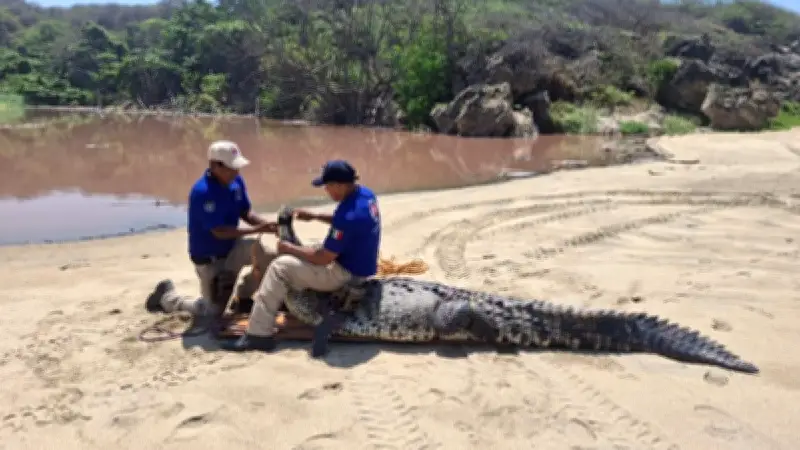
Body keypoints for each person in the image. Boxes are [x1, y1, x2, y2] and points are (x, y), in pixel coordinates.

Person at [220, 159, 381, 352]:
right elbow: (345, 223)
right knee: (310, 247)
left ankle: (258, 334)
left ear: (339, 185)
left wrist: (289, 248)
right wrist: (315, 216)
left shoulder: (349, 215)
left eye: (327, 186)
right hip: (361, 263)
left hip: (346, 274)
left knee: (280, 267)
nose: (326, 190)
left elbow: (323, 257)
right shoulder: (365, 195)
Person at [144, 140, 279, 319]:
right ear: (215, 166)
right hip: (210, 260)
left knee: (270, 258)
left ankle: (243, 297)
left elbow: (245, 212)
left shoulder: (236, 181)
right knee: (211, 311)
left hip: (232, 247)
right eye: (231, 168)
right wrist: (257, 229)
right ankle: (167, 297)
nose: (236, 172)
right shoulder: (203, 192)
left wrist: (267, 225)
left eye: (237, 167)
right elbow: (219, 232)